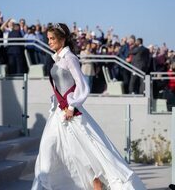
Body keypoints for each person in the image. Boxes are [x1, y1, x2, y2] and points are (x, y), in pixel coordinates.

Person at [31, 23, 146, 190]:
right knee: (48, 150)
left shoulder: (70, 58)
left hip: (71, 113)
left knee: (88, 153)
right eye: (48, 38)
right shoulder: (56, 58)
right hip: (58, 114)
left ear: (62, 39)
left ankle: (97, 183)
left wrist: (72, 106)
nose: (49, 42)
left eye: (52, 38)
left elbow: (83, 85)